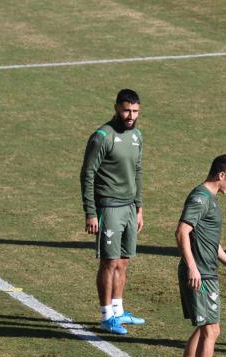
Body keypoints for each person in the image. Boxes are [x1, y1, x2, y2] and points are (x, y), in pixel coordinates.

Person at [170, 155, 226, 357]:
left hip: (207, 271)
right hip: (200, 273)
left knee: (206, 327)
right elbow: (182, 231)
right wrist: (192, 267)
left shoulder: (209, 200)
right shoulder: (201, 198)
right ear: (221, 175)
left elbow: (210, 240)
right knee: (211, 329)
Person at [80, 89, 146, 335]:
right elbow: (87, 174)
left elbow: (137, 171)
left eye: (135, 111)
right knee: (109, 262)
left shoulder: (137, 136)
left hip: (129, 208)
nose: (131, 115)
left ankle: (119, 310)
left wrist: (138, 207)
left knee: (124, 261)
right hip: (108, 207)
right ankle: (106, 315)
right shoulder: (102, 136)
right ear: (117, 107)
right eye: (127, 110)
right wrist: (90, 212)